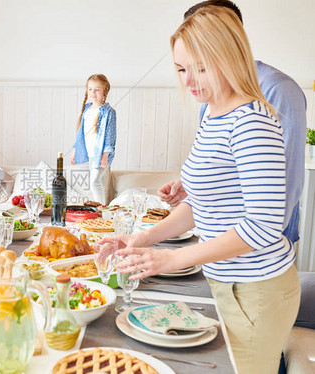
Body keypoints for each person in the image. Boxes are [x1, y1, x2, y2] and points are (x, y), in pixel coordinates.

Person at [100, 7, 300, 374]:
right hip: (228, 280)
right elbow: (202, 205)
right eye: (181, 69)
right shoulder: (213, 112)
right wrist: (143, 238)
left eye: (202, 67)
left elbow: (263, 226)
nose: (189, 80)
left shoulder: (251, 121)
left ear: (230, 56)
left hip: (255, 289)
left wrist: (175, 258)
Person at [158, 0, 307, 244]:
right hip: (219, 248)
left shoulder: (279, 89)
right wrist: (194, 185)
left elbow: (285, 180)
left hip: (260, 252)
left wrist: (266, 243)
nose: (188, 79)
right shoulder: (211, 94)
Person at [70, 74, 116, 204]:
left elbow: (110, 135)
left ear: (104, 91)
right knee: (100, 182)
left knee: (94, 182)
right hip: (91, 154)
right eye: (90, 89)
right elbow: (81, 133)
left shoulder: (108, 112)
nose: (93, 93)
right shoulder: (87, 110)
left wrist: (105, 154)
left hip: (101, 154)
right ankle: (104, 211)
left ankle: (100, 211)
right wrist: (75, 149)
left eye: (97, 89)